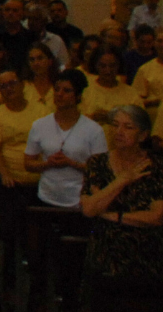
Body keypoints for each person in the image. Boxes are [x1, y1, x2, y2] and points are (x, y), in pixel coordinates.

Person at [77, 106, 163, 278]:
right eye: (115, 125)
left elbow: (157, 217)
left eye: (128, 127)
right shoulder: (97, 163)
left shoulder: (157, 166)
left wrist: (111, 215)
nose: (119, 132)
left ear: (143, 135)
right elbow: (89, 209)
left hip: (144, 256)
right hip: (103, 254)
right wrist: (121, 181)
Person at [22, 70, 107, 210]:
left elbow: (101, 170)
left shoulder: (94, 130)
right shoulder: (39, 125)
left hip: (79, 202)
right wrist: (48, 164)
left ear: (78, 96)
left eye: (67, 91)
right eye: (56, 89)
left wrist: (71, 163)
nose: (59, 94)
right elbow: (28, 164)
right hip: (46, 198)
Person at [0, 69, 43, 190]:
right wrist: (5, 175)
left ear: (22, 85)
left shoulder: (41, 110)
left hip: (40, 177)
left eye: (12, 83)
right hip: (10, 181)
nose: (9, 88)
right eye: (3, 86)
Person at [80, 48, 141, 125]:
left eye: (112, 66)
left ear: (118, 66)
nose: (108, 70)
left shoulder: (131, 93)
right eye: (103, 66)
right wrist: (92, 117)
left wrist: (114, 118)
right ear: (96, 66)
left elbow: (140, 122)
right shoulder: (84, 91)